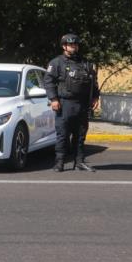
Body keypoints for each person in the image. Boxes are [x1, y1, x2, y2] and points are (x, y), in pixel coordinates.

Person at [43, 33, 100, 172]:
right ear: (64, 46)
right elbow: (48, 81)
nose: (74, 46)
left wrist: (95, 97)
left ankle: (79, 162)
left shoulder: (85, 63)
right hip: (65, 104)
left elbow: (94, 82)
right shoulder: (56, 63)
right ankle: (59, 163)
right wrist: (53, 99)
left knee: (80, 135)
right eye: (71, 44)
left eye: (76, 44)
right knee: (62, 135)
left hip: (82, 104)